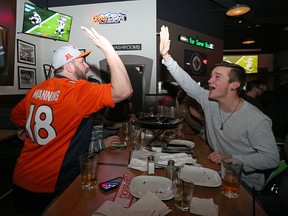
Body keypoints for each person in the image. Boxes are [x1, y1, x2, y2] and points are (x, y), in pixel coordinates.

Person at [10, 26, 133, 215]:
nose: (86, 66)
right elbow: (124, 91)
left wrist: (25, 130)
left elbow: (16, 116)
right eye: (82, 62)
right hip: (52, 184)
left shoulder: (36, 90)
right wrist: (108, 49)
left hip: (22, 177)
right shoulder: (77, 90)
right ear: (69, 66)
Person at [159, 25, 279, 191]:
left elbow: (271, 159)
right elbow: (188, 84)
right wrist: (167, 57)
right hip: (215, 170)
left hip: (243, 184)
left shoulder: (256, 119)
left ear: (234, 85)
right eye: (211, 76)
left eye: (217, 77)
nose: (210, 81)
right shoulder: (210, 102)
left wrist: (231, 158)